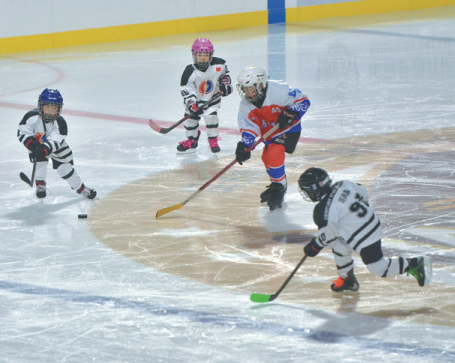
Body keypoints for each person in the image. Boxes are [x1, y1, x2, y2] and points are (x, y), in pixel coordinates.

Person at [298, 167, 432, 292]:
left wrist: (314, 246)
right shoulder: (343, 184)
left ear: (314, 190)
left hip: (365, 238)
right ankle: (348, 280)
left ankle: (414, 263)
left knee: (378, 268)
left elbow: (329, 235)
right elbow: (363, 191)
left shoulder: (321, 211)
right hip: (371, 223)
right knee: (340, 246)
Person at [235, 66, 310, 211]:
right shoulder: (245, 105)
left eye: (252, 88)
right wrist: (245, 145)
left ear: (261, 84)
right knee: (266, 157)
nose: (248, 92)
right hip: (269, 132)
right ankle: (277, 183)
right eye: (245, 88)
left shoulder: (279, 90)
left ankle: (279, 188)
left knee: (274, 153)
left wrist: (290, 113)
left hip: (289, 129)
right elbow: (250, 127)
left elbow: (304, 101)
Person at [17, 88, 97, 200]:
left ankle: (82, 188)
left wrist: (43, 149)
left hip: (57, 148)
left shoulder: (60, 123)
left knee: (65, 168)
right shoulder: (31, 117)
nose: (50, 111)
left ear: (59, 109)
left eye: (54, 108)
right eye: (47, 107)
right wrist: (32, 145)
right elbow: (22, 133)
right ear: (40, 106)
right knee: (40, 157)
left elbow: (55, 141)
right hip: (38, 144)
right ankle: (40, 185)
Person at [177, 38, 233, 154]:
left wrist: (225, 85)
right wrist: (192, 104)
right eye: (199, 54)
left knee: (211, 117)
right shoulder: (189, 71)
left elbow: (224, 76)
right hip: (196, 102)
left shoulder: (219, 64)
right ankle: (192, 140)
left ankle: (213, 140)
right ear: (194, 55)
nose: (203, 57)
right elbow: (187, 90)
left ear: (211, 55)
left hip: (212, 99)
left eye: (206, 55)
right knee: (190, 120)